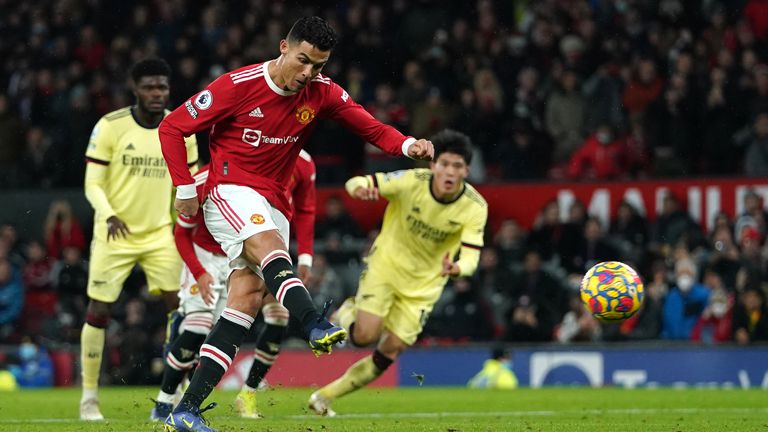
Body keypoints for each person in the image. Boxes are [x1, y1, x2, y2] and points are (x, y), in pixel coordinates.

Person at [159, 17, 433, 431]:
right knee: (269, 247)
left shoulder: (321, 92)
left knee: (246, 301)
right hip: (229, 189)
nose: (309, 73)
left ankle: (186, 410)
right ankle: (312, 322)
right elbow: (173, 126)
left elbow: (369, 126)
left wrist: (408, 144)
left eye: (319, 66)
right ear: (283, 47)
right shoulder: (238, 85)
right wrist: (184, 188)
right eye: (303, 60)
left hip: (275, 201)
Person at [308, 129, 487, 416]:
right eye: (444, 164)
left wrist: (457, 268)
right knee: (364, 336)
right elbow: (356, 182)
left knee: (388, 351)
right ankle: (345, 311)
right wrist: (360, 189)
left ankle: (324, 396)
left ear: (466, 170)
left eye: (457, 166)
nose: (449, 172)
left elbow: (471, 257)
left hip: (424, 288)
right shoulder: (410, 181)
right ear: (433, 165)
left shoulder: (475, 206)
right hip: (386, 268)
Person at [150, 151, 316, 421]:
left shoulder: (286, 169)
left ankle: (230, 395)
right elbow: (181, 233)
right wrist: (200, 272)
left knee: (226, 335)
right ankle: (164, 401)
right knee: (197, 329)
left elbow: (305, 208)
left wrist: (304, 255)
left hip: (238, 259)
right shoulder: (205, 179)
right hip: (203, 257)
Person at [79, 58, 198, 421]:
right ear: (135, 88)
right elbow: (92, 184)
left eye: (162, 86)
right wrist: (109, 214)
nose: (157, 93)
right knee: (99, 310)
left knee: (180, 309)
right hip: (115, 232)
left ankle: (174, 390)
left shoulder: (183, 128)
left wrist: (185, 226)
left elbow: (188, 186)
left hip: (161, 233)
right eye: (149, 86)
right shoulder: (110, 127)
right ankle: (89, 398)